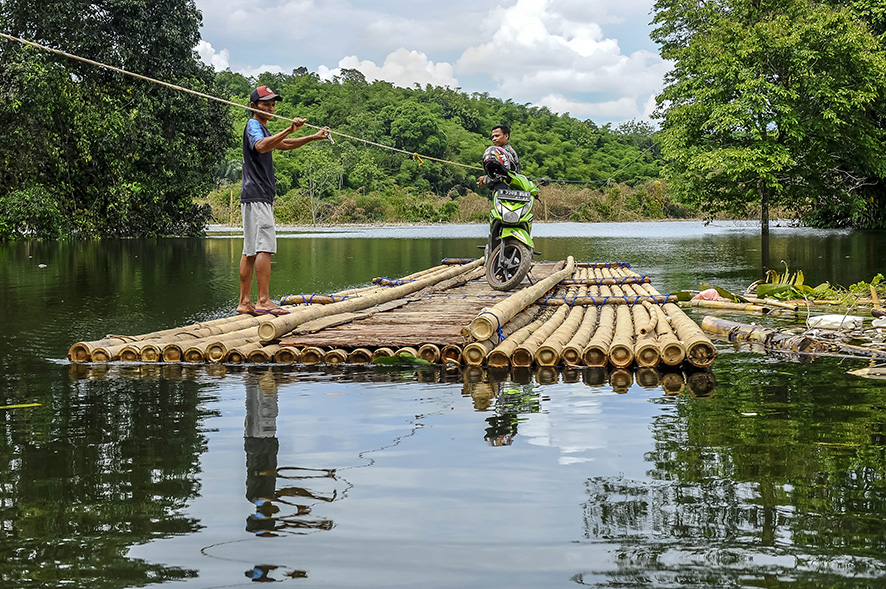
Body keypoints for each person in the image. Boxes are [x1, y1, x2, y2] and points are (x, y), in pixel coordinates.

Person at [238, 85, 329, 316]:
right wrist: (289, 129)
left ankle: (245, 303)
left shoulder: (263, 129)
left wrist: (313, 137)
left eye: (272, 104)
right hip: (257, 194)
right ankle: (264, 301)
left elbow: (283, 145)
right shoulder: (254, 126)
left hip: (254, 195)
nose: (271, 107)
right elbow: (261, 147)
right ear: (253, 107)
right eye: (265, 104)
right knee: (263, 247)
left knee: (250, 249)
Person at [476, 124, 520, 188]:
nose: (494, 139)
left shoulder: (506, 152)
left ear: (506, 136)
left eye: (497, 136)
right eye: (493, 137)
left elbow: (504, 175)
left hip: (507, 191)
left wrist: (485, 180)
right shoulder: (501, 151)